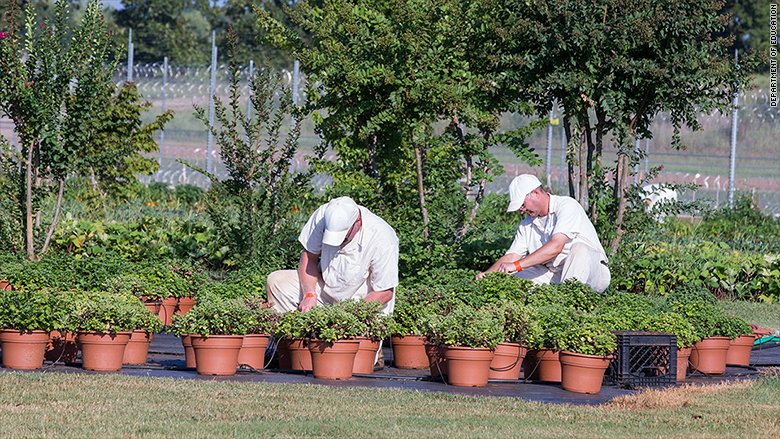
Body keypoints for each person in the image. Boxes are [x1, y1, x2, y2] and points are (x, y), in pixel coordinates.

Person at [476, 174, 610, 292]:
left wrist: (517, 265)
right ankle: (557, 301)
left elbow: (556, 247)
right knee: (508, 281)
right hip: (555, 274)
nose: (521, 211)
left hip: (593, 272)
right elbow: (512, 257)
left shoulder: (566, 206)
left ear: (535, 193)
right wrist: (488, 275)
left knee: (579, 249)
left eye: (522, 205)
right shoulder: (526, 224)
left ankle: (567, 308)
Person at [266, 196, 399, 315]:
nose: (339, 242)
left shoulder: (383, 238)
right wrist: (309, 295)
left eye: (344, 237)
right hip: (325, 294)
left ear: (357, 222)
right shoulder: (323, 216)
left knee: (351, 338)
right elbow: (309, 257)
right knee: (276, 282)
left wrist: (347, 315)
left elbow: (385, 293)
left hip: (361, 304)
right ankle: (292, 338)